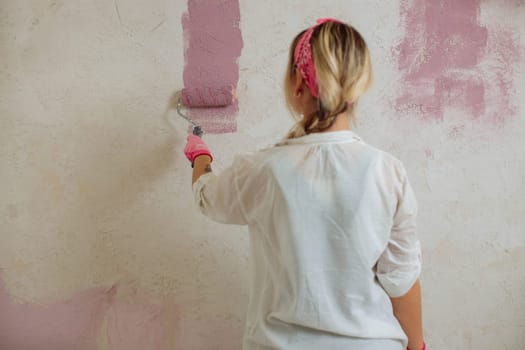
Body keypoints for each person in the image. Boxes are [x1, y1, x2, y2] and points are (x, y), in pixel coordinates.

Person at [183, 18, 425, 350]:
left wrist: (200, 157)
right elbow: (401, 280)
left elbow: (207, 198)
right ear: (356, 86)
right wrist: (418, 347)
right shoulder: (389, 172)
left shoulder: (259, 169)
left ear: (299, 82)